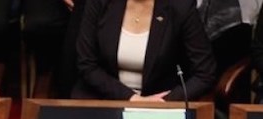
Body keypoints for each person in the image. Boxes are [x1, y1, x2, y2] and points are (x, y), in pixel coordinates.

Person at [72, 0, 216, 101]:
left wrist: (166, 100)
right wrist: (130, 98)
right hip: (103, 98)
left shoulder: (180, 6)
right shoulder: (100, 2)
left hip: (160, 104)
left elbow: (205, 73)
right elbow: (87, 64)